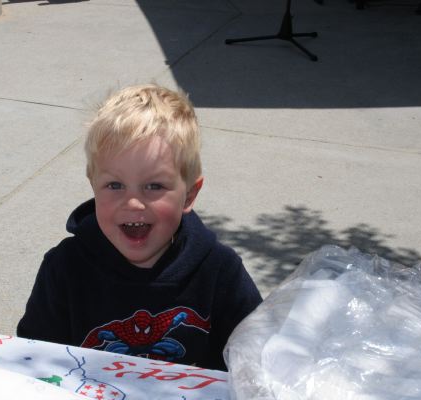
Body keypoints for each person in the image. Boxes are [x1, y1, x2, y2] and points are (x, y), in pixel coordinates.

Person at [17, 84, 262, 371]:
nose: (133, 203)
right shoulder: (65, 267)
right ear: (93, 186)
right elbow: (34, 357)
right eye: (115, 185)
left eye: (154, 186)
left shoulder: (219, 270)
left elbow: (257, 354)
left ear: (189, 195)